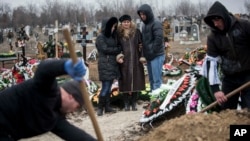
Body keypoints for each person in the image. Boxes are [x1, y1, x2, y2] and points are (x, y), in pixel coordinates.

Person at [0, 58, 97, 141]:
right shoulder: (47, 89)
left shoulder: (55, 118)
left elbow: (77, 136)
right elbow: (44, 69)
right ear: (71, 96)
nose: (74, 110)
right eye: (78, 106)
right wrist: (64, 65)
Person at [201, 1, 250, 110]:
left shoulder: (244, 26)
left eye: (217, 20)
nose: (215, 24)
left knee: (248, 110)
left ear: (224, 16)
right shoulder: (213, 37)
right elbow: (211, 62)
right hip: (229, 77)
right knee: (227, 111)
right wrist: (215, 90)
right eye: (213, 21)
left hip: (248, 74)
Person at [116, 14, 146, 111]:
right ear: (121, 23)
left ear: (130, 22)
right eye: (124, 22)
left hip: (136, 60)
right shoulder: (118, 34)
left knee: (136, 82)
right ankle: (126, 104)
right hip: (124, 61)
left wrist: (142, 56)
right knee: (125, 82)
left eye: (128, 22)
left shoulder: (136, 32)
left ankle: (133, 103)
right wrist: (119, 56)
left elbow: (142, 45)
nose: (126, 24)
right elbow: (117, 46)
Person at [95, 17, 122, 116]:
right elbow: (105, 49)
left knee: (109, 87)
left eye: (114, 27)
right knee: (105, 87)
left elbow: (117, 47)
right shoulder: (100, 37)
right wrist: (116, 50)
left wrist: (117, 49)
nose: (113, 29)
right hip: (105, 64)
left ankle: (107, 107)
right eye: (112, 27)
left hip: (112, 64)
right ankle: (100, 108)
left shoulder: (112, 37)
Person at [137, 4, 165, 93]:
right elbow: (146, 40)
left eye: (143, 14)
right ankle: (153, 98)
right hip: (149, 56)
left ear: (148, 13)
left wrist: (152, 51)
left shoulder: (156, 23)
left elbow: (158, 39)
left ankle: (157, 102)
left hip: (156, 55)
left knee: (157, 80)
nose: (142, 16)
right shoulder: (144, 25)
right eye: (140, 14)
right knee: (152, 80)